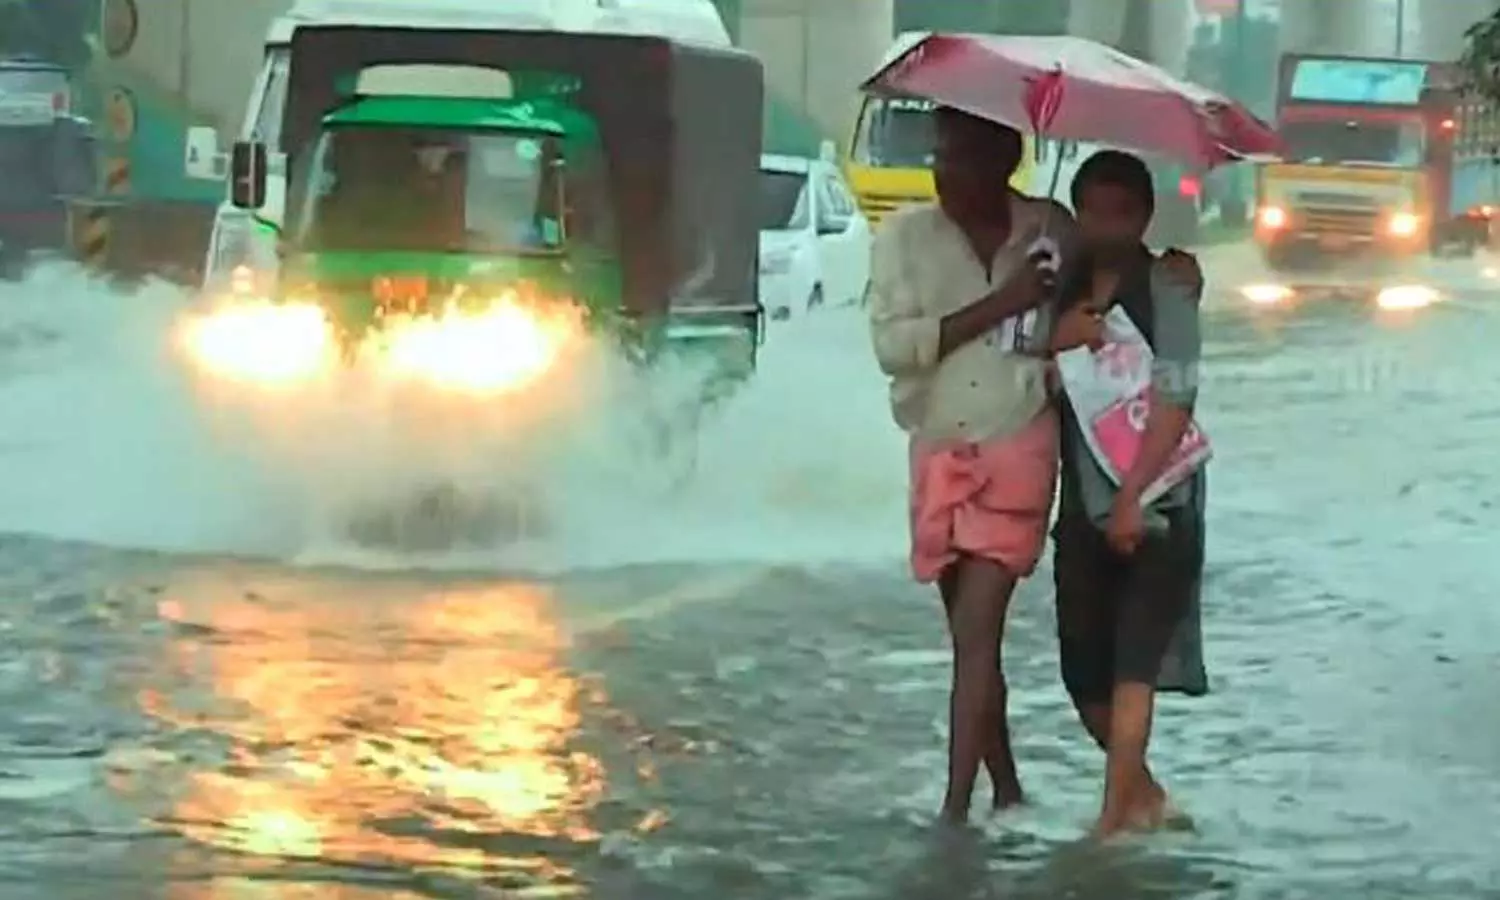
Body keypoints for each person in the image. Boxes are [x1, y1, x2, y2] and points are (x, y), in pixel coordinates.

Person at [867, 107, 1090, 824]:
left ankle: (954, 811)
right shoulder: (903, 238)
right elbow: (893, 349)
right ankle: (1008, 790)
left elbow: (1101, 308)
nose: (944, 171)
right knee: (969, 640)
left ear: (1005, 160)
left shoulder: (1051, 229)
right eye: (939, 154)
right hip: (939, 448)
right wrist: (1003, 302)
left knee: (978, 633)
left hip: (1018, 441)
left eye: (961, 156)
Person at [1048, 149, 1208, 838]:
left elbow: (1177, 396)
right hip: (1080, 507)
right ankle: (1147, 800)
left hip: (1159, 506)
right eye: (1094, 212)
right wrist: (1060, 338)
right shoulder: (1058, 289)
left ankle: (1112, 822)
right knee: (1083, 677)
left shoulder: (1168, 287)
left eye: (1122, 213)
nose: (1107, 226)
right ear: (1077, 215)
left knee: (1133, 670)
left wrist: (1132, 496)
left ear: (1144, 217)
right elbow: (1023, 367)